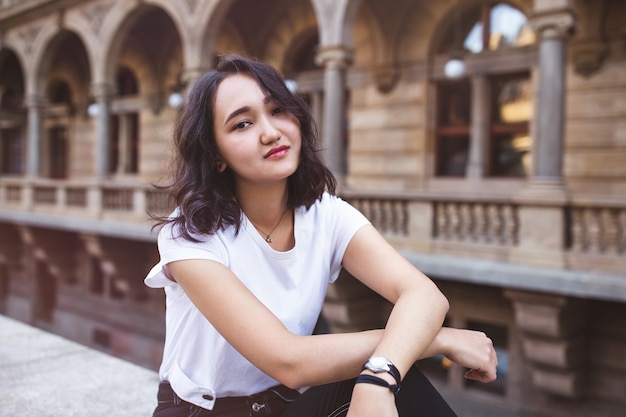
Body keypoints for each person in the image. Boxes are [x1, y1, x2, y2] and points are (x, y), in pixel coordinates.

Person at [145, 54, 498, 417]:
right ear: (216, 155)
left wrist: (379, 378)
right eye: (243, 124)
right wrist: (437, 340)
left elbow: (424, 295)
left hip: (285, 406)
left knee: (390, 375)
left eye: (278, 110)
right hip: (202, 412)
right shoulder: (189, 234)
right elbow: (287, 360)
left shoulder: (324, 214)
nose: (270, 132)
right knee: (390, 363)